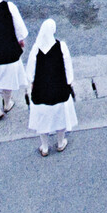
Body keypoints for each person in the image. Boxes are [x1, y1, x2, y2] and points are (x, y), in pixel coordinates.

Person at [26, 18, 77, 156]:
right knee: (60, 117)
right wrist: (69, 82)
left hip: (41, 92)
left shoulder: (36, 49)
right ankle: (60, 143)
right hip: (60, 91)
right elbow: (68, 67)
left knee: (42, 120)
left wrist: (32, 83)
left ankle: (44, 147)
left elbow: (30, 72)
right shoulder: (62, 46)